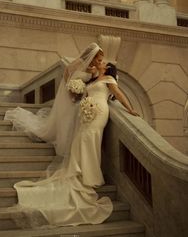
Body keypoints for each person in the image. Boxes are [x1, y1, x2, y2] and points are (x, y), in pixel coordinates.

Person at [8, 58, 139, 229]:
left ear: (106, 68)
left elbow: (119, 94)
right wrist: (75, 91)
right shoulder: (93, 79)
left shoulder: (109, 80)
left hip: (99, 112)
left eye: (102, 62)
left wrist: (130, 109)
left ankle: (90, 174)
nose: (100, 62)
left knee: (90, 139)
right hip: (86, 112)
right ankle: (81, 170)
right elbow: (72, 77)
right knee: (81, 139)